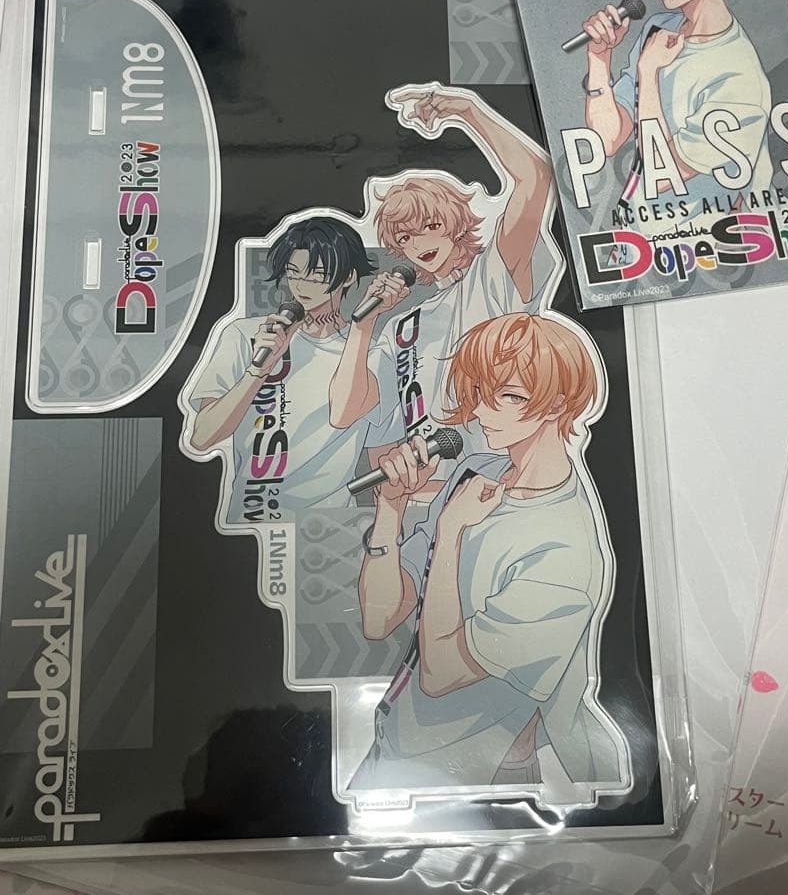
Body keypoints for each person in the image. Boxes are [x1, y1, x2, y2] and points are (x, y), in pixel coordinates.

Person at [348, 313, 629, 795]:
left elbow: (441, 673)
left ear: (557, 403)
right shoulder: (477, 474)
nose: (480, 411)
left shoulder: (563, 550)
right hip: (398, 744)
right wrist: (390, 509)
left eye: (509, 395)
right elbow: (379, 619)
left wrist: (451, 532)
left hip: (478, 777)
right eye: (478, 391)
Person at [329, 83, 561, 481]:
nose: (420, 244)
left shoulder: (493, 274)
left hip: (505, 474)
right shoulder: (404, 326)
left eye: (431, 226)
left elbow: (534, 178)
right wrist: (363, 326)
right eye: (405, 237)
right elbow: (345, 411)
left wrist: (468, 111)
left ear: (455, 224)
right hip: (431, 488)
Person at [183, 216, 402, 526]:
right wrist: (257, 372)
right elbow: (202, 438)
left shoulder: (373, 354)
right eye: (294, 273)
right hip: (249, 521)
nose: (302, 286)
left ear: (348, 277)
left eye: (317, 275)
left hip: (329, 528)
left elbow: (385, 464)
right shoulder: (248, 335)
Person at [581, 0, 772, 233]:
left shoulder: (739, 77)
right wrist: (599, 58)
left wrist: (649, 74)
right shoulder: (661, 29)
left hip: (701, 247)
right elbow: (607, 138)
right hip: (637, 235)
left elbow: (660, 173)